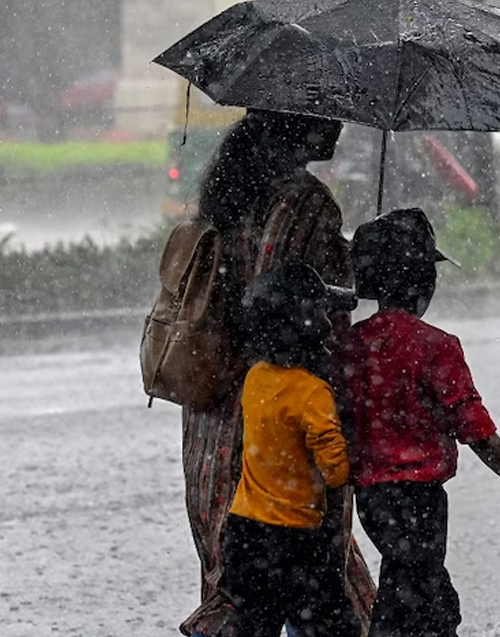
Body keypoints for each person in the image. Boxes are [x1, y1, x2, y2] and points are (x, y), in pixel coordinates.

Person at [181, 109, 375, 637]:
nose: (341, 126)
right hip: (282, 407)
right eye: (329, 114)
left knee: (237, 567)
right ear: (298, 123)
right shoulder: (306, 201)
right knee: (316, 561)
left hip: (218, 406)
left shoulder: (228, 191)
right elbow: (306, 305)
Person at [336, 208, 500, 637]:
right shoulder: (436, 347)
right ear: (425, 283)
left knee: (409, 585)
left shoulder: (351, 345)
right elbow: (475, 429)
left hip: (371, 499)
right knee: (422, 597)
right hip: (421, 500)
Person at [221, 258, 363, 637]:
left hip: (244, 534)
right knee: (334, 628)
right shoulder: (312, 393)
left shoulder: (255, 378)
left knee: (254, 626)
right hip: (296, 542)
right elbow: (336, 471)